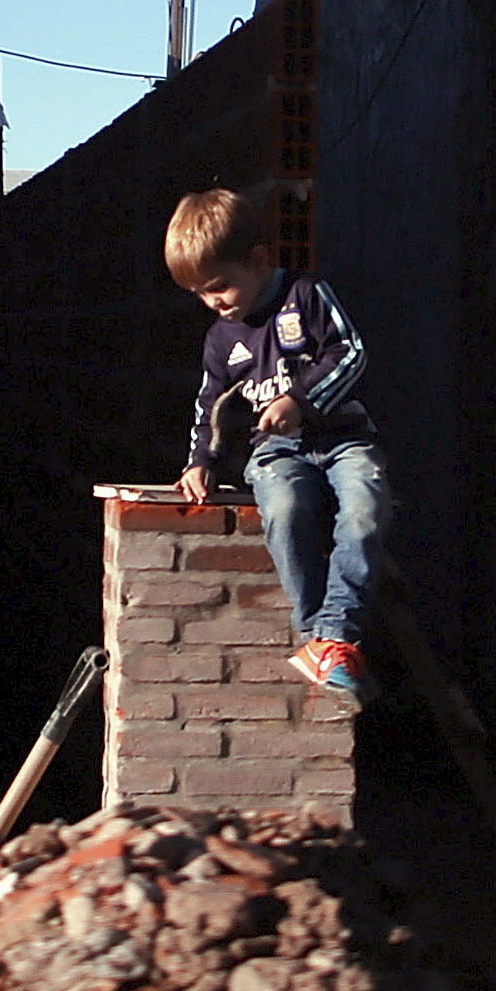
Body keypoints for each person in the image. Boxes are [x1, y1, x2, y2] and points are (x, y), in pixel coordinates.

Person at [164, 186, 383, 711]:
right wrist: (202, 462)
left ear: (259, 260)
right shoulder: (220, 338)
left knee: (365, 513)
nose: (213, 302)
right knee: (285, 510)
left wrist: (301, 402)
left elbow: (351, 353)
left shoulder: (307, 295)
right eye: (199, 294)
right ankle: (322, 640)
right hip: (276, 453)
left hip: (342, 438)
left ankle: (332, 633)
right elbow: (210, 404)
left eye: (220, 286)